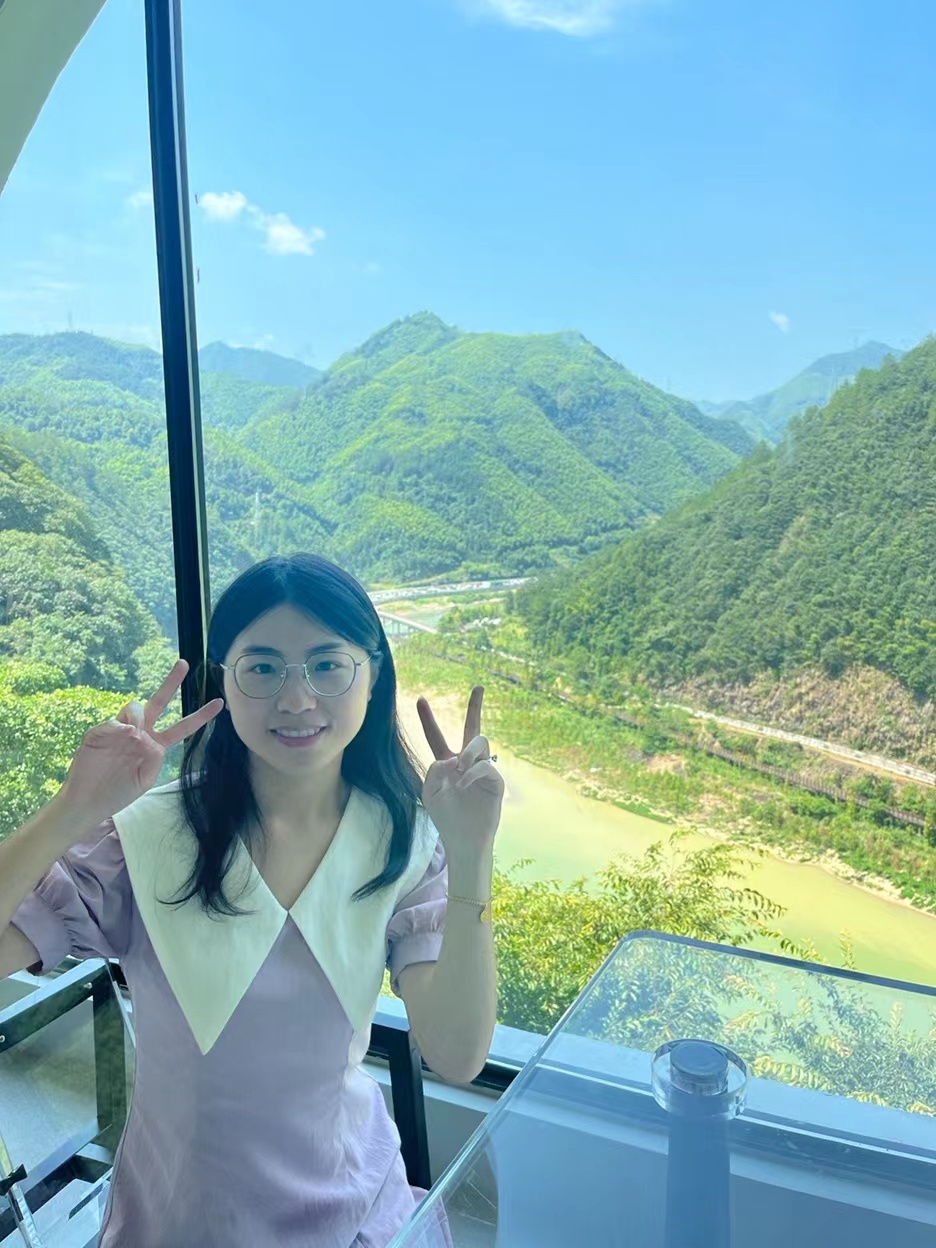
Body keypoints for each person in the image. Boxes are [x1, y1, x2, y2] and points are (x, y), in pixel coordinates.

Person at [0, 553, 503, 1247]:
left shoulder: (402, 842)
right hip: (183, 1219)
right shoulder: (147, 839)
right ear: (224, 681)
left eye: (327, 665)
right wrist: (71, 809)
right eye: (263, 668)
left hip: (356, 1211)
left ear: (373, 675)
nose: (296, 700)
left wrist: (473, 856)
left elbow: (457, 1053)